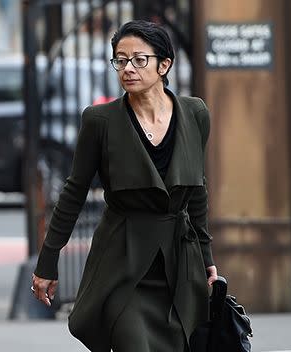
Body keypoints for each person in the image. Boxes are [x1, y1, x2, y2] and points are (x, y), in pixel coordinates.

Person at [31, 20, 219, 352]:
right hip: (123, 262)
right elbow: (73, 193)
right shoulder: (100, 121)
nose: (127, 68)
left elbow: (198, 193)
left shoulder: (195, 114)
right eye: (120, 60)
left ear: (164, 65)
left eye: (138, 59)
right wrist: (47, 261)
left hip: (179, 262)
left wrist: (206, 258)